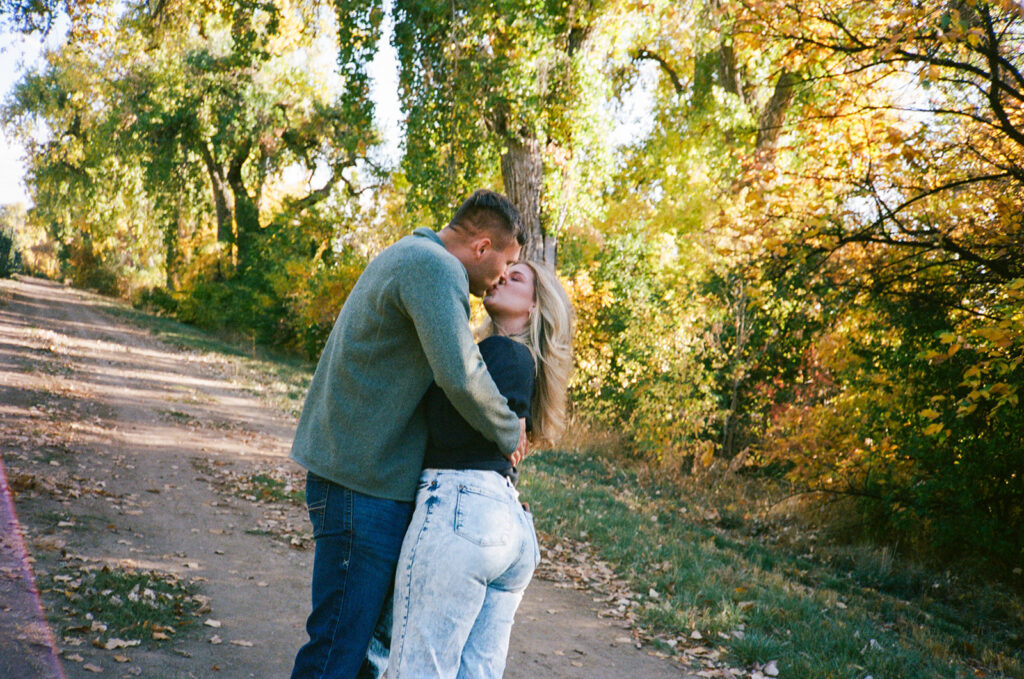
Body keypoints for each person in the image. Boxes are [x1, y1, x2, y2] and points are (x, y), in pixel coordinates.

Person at [289, 190, 531, 679]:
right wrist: (509, 430)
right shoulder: (433, 268)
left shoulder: (413, 256)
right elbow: (459, 374)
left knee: (360, 655)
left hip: (365, 480)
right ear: (482, 247)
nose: (503, 276)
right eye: (506, 263)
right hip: (362, 486)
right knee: (337, 651)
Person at [387, 261, 575, 679]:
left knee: (421, 668)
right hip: (509, 530)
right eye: (506, 270)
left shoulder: (501, 353)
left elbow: (454, 432)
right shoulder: (520, 361)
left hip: (462, 513)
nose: (503, 275)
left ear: (533, 308)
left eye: (518, 277)